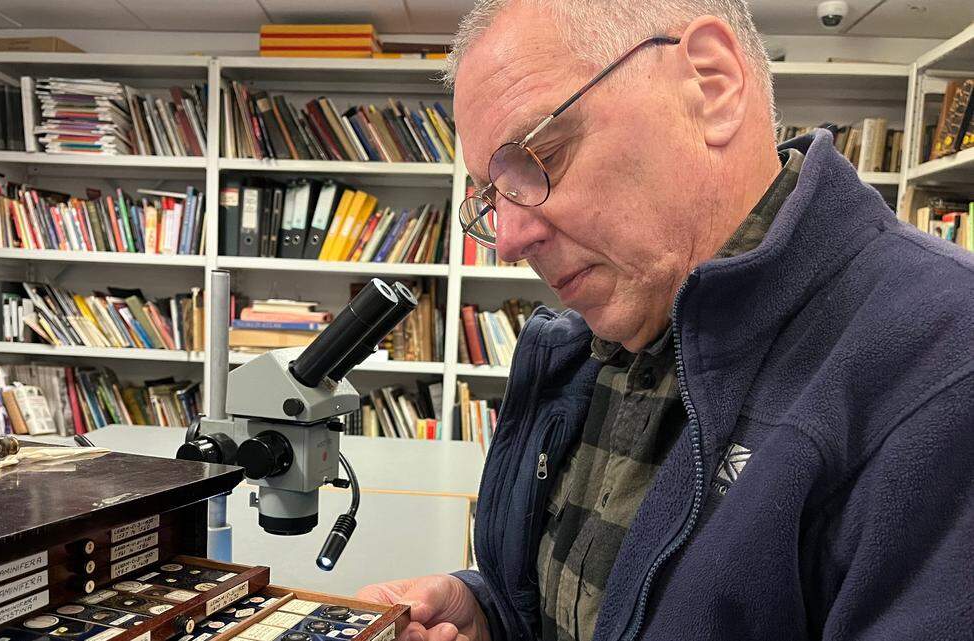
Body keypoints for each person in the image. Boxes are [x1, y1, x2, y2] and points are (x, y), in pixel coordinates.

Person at [358, 1, 974, 640]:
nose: (508, 239)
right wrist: (488, 613)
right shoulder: (606, 330)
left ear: (712, 87)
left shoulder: (946, 361)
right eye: (492, 195)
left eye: (539, 156)